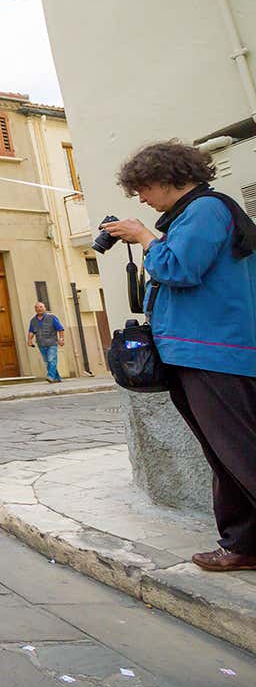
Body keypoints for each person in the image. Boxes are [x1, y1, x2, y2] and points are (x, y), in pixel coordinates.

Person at [104, 141, 256, 573]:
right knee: (223, 454)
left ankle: (243, 542)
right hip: (202, 351)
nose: (141, 198)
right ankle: (242, 543)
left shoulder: (206, 209)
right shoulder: (191, 215)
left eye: (144, 188)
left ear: (167, 178)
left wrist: (144, 237)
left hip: (215, 352)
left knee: (240, 452)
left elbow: (178, 269)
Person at [27, 302, 65, 383]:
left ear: (44, 308)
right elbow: (31, 331)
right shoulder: (33, 320)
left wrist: (61, 339)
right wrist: (29, 340)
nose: (39, 309)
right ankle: (57, 378)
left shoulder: (52, 317)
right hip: (41, 344)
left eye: (41, 307)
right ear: (35, 309)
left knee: (52, 359)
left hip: (52, 343)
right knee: (47, 361)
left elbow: (60, 328)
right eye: (37, 307)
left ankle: (50, 376)